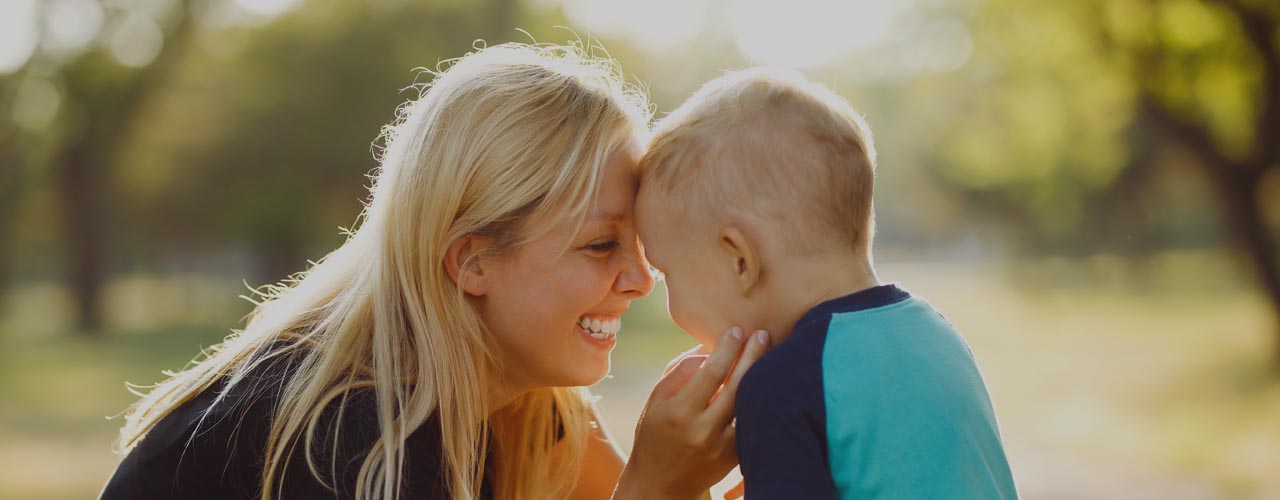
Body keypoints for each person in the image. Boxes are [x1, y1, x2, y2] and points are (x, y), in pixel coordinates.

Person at [99, 43, 766, 500]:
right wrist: (656, 484)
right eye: (600, 246)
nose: (642, 279)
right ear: (472, 260)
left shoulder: (531, 408)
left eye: (640, 243)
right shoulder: (353, 441)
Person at [635, 67, 1019, 499]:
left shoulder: (780, 388)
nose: (668, 306)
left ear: (740, 260)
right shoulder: (939, 335)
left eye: (666, 274)